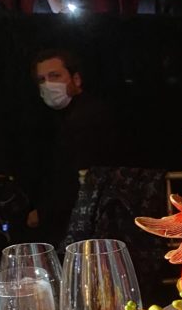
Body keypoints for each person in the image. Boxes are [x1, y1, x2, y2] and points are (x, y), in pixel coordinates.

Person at [23, 49, 121, 246]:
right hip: (72, 219)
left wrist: (43, 212)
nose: (48, 84)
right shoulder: (56, 119)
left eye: (55, 76)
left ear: (76, 79)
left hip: (87, 224)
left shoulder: (89, 117)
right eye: (41, 79)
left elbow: (79, 179)